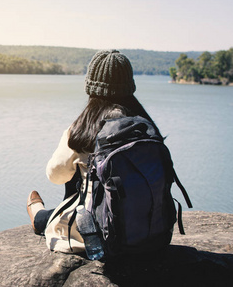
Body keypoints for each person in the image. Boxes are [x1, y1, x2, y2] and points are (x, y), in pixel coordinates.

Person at [26, 49, 162, 252]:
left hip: (98, 234)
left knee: (72, 182)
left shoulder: (82, 130)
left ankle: (38, 215)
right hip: (150, 231)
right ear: (129, 86)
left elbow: (55, 175)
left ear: (91, 87)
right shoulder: (146, 127)